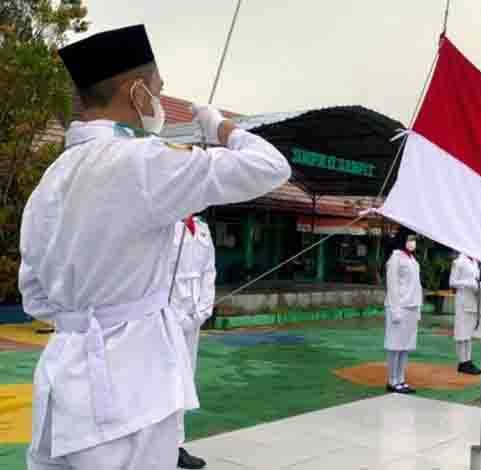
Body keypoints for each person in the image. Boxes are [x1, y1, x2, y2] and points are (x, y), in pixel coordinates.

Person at [19, 24, 291, 470]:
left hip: (60, 383)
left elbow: (33, 294)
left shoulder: (50, 181)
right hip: (129, 394)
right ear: (136, 91)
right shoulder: (142, 162)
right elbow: (269, 166)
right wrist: (218, 126)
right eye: (158, 91)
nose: (161, 103)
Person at [170, 216, 216, 469]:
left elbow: (209, 271)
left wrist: (204, 308)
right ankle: (156, 445)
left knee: (185, 379)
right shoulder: (164, 223)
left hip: (193, 315)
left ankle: (175, 444)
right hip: (166, 316)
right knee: (163, 380)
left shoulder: (202, 229)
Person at [384, 228, 422, 394]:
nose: (412, 242)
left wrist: (418, 308)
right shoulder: (395, 258)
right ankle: (392, 381)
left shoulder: (413, 260)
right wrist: (395, 309)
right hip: (398, 306)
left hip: (412, 307)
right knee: (395, 346)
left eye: (414, 239)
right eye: (409, 239)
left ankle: (401, 379)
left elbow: (417, 286)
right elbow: (392, 285)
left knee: (405, 346)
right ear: (402, 239)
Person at [449, 253, 481, 375]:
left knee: (468, 333)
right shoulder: (459, 261)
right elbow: (452, 282)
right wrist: (468, 283)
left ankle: (468, 360)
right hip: (462, 300)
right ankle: (462, 361)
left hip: (472, 299)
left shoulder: (474, 261)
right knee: (461, 332)